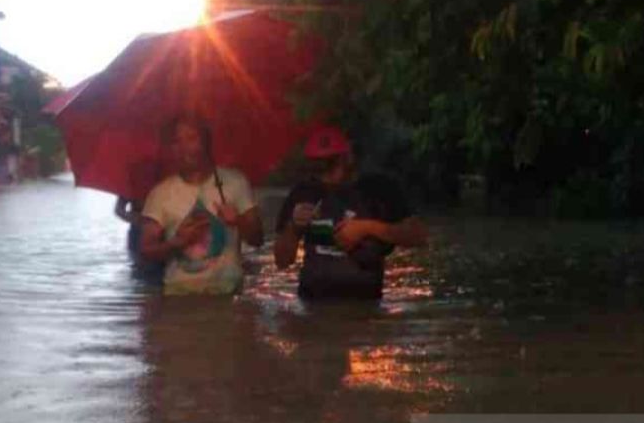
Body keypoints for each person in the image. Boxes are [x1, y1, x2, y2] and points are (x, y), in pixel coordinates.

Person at [274, 126, 427, 300]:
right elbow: (281, 261)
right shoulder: (303, 192)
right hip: (313, 305)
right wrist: (293, 227)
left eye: (331, 163)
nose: (326, 173)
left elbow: (418, 236)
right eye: (318, 165)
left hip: (364, 306)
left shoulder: (379, 187)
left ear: (349, 156)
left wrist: (368, 228)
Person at [138, 113, 263, 295]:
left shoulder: (235, 182)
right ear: (170, 148)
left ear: (206, 141)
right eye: (176, 141)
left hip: (227, 295)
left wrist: (238, 221)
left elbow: (258, 239)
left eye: (191, 138)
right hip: (179, 297)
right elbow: (146, 251)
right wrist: (176, 243)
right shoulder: (160, 194)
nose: (183, 148)